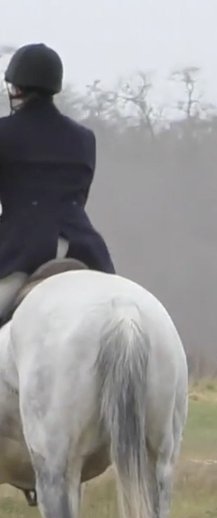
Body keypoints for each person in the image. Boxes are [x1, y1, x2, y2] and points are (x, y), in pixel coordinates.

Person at [0, 43, 115, 323]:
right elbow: (80, 195)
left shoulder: (3, 133)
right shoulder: (83, 138)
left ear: (15, 87)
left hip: (20, 251)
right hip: (83, 247)